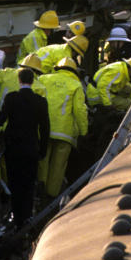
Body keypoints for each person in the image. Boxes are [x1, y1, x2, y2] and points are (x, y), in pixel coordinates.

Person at [0, 67, 49, 226]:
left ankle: (16, 216)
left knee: (14, 182)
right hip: (31, 148)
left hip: (13, 148)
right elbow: (45, 128)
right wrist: (43, 149)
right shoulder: (41, 101)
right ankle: (27, 217)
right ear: (32, 81)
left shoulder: (11, 98)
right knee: (28, 183)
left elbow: (0, 120)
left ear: (19, 80)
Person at [38, 57, 88, 197]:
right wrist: (83, 132)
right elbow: (80, 111)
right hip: (65, 134)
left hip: (44, 130)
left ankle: (39, 192)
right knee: (58, 167)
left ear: (57, 68)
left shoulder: (43, 79)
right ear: (74, 71)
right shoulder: (76, 85)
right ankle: (51, 197)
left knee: (43, 162)